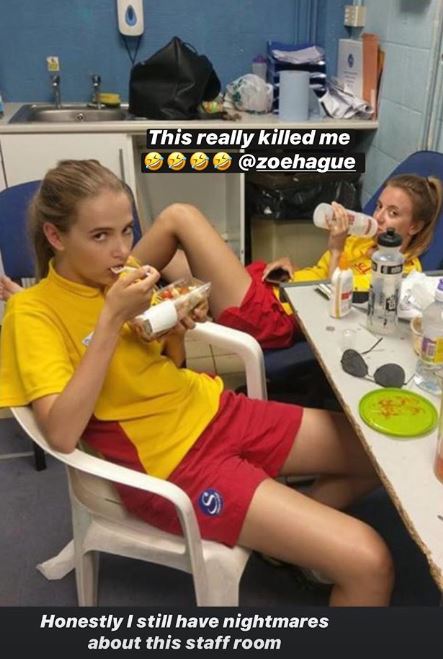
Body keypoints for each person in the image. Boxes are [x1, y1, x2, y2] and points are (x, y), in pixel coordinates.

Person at [0, 159, 394, 606]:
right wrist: (111, 319)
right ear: (55, 237)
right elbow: (61, 432)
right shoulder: (31, 313)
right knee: (370, 561)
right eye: (100, 236)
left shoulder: (123, 275)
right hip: (174, 462)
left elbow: (164, 365)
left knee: (378, 453)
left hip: (215, 408)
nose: (121, 250)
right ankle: (306, 541)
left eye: (127, 230)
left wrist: (175, 332)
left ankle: (293, 547)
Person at [128, 174, 442, 349]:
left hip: (277, 318)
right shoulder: (363, 240)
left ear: (414, 227)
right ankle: (115, 292)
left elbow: (336, 309)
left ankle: (111, 294)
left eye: (393, 213)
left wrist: (335, 247)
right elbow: (318, 276)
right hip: (275, 291)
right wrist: (290, 267)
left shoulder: (401, 274)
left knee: (179, 217)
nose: (379, 217)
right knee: (173, 257)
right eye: (380, 206)